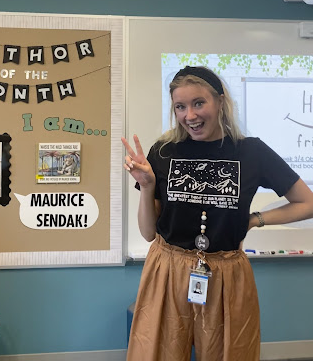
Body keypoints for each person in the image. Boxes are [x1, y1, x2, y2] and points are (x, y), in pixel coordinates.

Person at [122, 66, 313, 361]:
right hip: (167, 269)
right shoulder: (163, 152)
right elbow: (148, 233)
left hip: (226, 273)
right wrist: (146, 186)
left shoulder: (251, 152)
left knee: (229, 353)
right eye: (180, 107)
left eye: (199, 103)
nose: (190, 115)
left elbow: (307, 202)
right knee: (158, 353)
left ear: (220, 102)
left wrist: (255, 220)